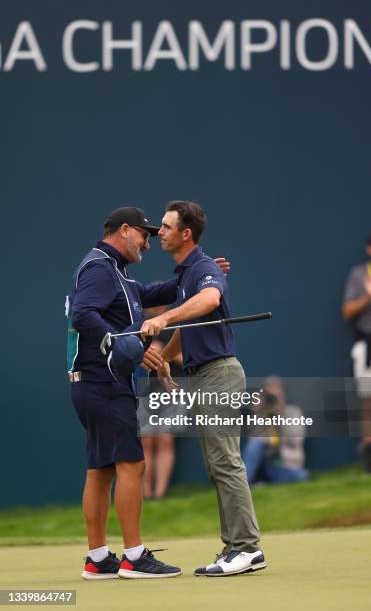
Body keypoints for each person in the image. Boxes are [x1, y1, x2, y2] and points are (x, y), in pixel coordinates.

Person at [140, 201, 266, 577]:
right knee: (218, 465)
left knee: (226, 463)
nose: (159, 232)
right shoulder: (187, 274)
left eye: (165, 226)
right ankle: (235, 547)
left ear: (185, 233)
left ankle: (247, 548)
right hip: (206, 375)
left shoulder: (204, 269)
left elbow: (210, 300)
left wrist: (162, 317)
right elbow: (189, 328)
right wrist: (165, 357)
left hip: (220, 374)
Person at [67, 207, 183, 579]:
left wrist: (195, 272)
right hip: (102, 383)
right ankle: (134, 557)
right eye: (144, 235)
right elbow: (84, 314)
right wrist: (123, 345)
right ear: (124, 230)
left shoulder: (116, 272)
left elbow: (150, 291)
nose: (148, 243)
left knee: (100, 470)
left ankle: (98, 559)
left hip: (93, 383)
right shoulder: (100, 266)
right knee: (132, 463)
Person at [342, 229, 371, 474]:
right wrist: (368, 298)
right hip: (368, 345)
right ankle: (369, 453)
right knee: (370, 402)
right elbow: (347, 312)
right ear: (370, 248)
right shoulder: (359, 275)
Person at [140, 306, 185, 500]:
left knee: (166, 440)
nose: (155, 309)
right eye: (151, 306)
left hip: (172, 389)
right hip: (146, 391)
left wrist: (164, 354)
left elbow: (187, 359)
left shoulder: (176, 328)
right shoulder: (140, 329)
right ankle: (146, 494)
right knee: (146, 442)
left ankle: (159, 494)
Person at [242, 376, 309, 485]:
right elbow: (253, 440)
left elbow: (295, 440)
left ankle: (261, 484)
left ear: (282, 395)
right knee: (254, 444)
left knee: (301, 476)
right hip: (264, 465)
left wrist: (278, 416)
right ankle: (244, 486)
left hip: (285, 465)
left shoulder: (293, 412)